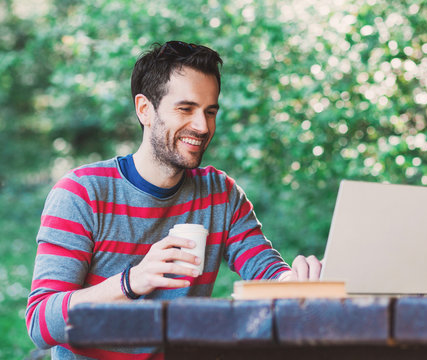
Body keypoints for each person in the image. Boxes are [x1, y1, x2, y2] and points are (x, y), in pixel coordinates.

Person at [26, 40, 322, 359]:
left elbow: (263, 266)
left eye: (210, 112)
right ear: (145, 110)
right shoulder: (82, 193)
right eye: (186, 109)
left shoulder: (220, 193)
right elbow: (41, 323)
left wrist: (293, 280)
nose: (202, 126)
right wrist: (132, 281)